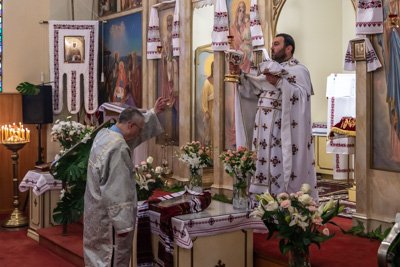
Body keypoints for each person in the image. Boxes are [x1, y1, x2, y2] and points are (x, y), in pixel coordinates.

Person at [232, 33, 318, 203]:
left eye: (277, 44)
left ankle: (283, 201)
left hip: (283, 130)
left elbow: (301, 97)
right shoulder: (268, 68)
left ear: (289, 48)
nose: (272, 47)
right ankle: (262, 201)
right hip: (262, 128)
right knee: (262, 161)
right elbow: (255, 87)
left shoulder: (300, 71)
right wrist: (240, 75)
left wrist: (279, 83)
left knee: (279, 163)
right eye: (272, 44)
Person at [83, 97, 168, 267]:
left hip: (95, 214)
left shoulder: (104, 135)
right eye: (139, 129)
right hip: (110, 223)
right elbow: (117, 190)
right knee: (111, 260)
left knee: (96, 258)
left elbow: (129, 138)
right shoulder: (119, 148)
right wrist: (123, 225)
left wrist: (152, 113)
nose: (140, 134)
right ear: (131, 125)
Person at [200, 61, 214, 146]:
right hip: (212, 111)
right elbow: (204, 99)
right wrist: (206, 112)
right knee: (212, 133)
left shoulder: (222, 81)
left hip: (221, 111)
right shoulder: (207, 82)